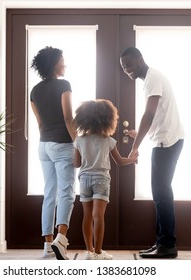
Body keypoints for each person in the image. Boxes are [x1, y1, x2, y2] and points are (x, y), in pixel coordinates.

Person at [120, 47, 185, 258]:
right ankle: (162, 243)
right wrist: (139, 134)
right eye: (123, 67)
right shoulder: (150, 79)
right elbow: (157, 116)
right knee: (160, 193)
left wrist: (135, 145)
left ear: (140, 60)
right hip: (164, 140)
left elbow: (149, 113)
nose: (126, 70)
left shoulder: (153, 78)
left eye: (129, 64)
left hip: (167, 142)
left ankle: (167, 245)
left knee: (161, 193)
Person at [73, 99, 138, 260]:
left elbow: (76, 163)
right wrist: (133, 159)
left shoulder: (79, 140)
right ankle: (99, 252)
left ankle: (89, 251)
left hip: (84, 179)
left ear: (83, 119)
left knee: (87, 216)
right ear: (108, 119)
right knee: (98, 216)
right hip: (101, 179)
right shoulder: (108, 140)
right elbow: (120, 161)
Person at [30, 46, 76, 260]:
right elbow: (68, 118)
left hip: (44, 145)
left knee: (49, 192)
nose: (64, 63)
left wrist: (48, 138)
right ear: (54, 63)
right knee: (66, 192)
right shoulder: (64, 85)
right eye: (62, 60)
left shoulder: (35, 91)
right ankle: (61, 240)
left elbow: (40, 123)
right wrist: (78, 143)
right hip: (62, 144)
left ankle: (48, 244)